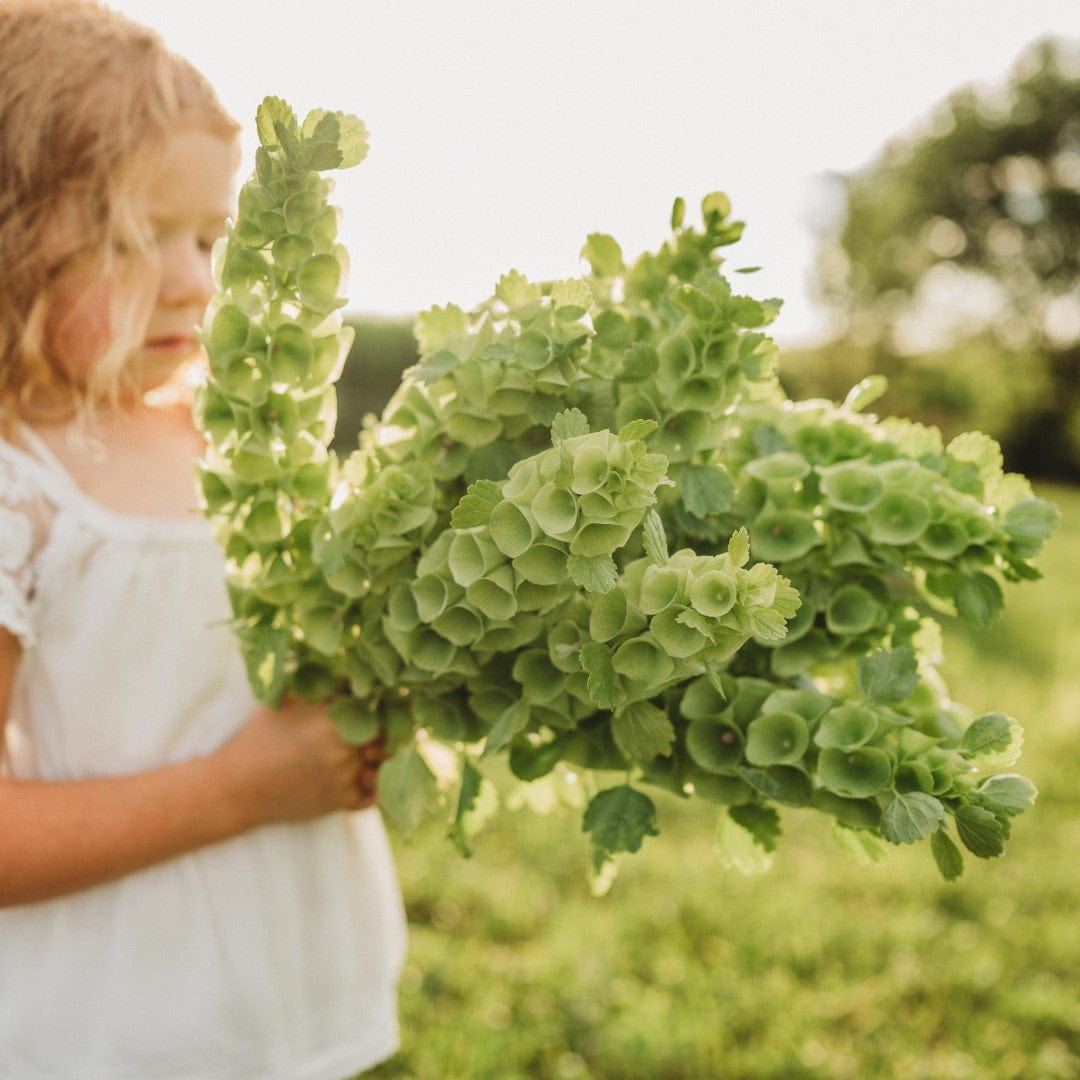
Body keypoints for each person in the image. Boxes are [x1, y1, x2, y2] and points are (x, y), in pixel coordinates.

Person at [0, 2, 407, 1077]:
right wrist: (245, 788)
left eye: (210, 238)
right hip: (113, 1019)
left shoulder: (230, 436)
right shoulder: (19, 487)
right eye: (138, 238)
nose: (195, 280)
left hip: (293, 981)